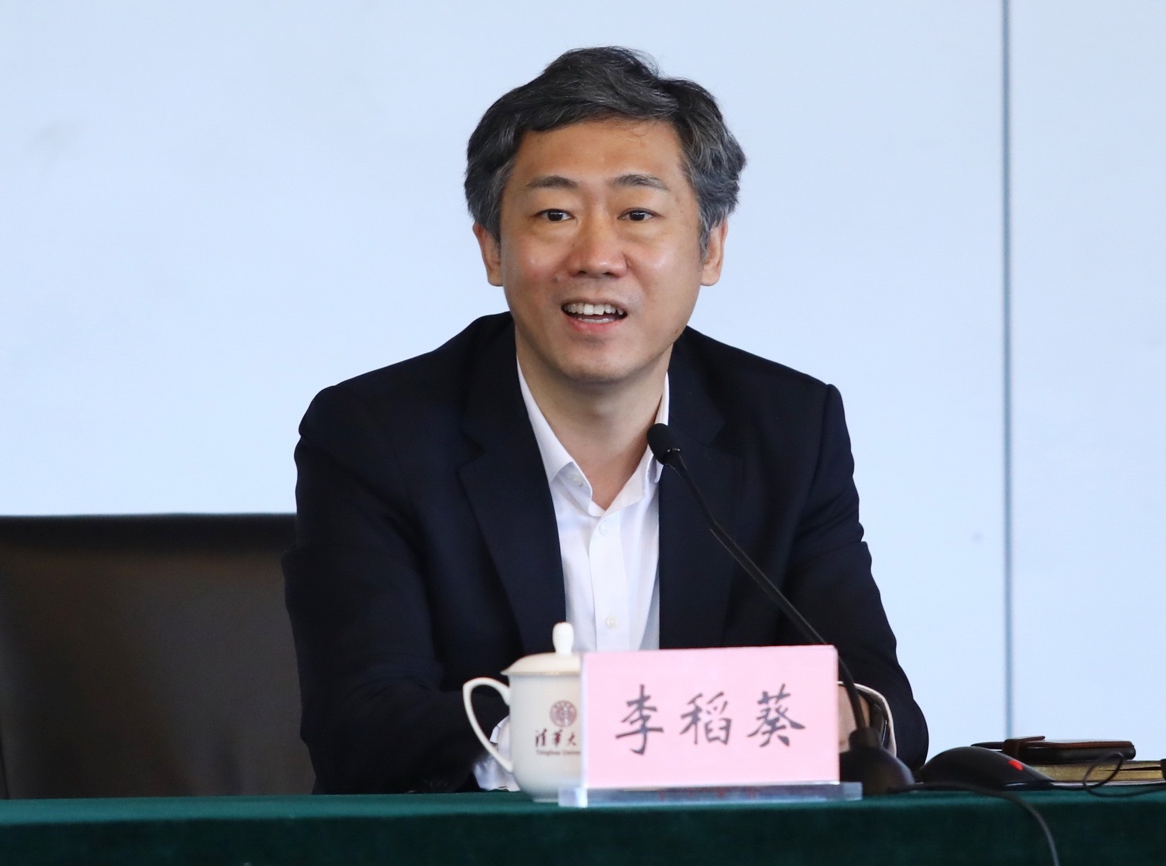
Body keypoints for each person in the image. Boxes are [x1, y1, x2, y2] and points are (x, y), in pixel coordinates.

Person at [283, 47, 928, 793]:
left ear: (710, 247)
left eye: (637, 214)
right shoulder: (376, 435)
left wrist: (576, 730)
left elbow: (879, 712)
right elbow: (361, 730)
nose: (595, 256)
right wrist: (637, 735)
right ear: (492, 247)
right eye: (554, 214)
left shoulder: (786, 429)